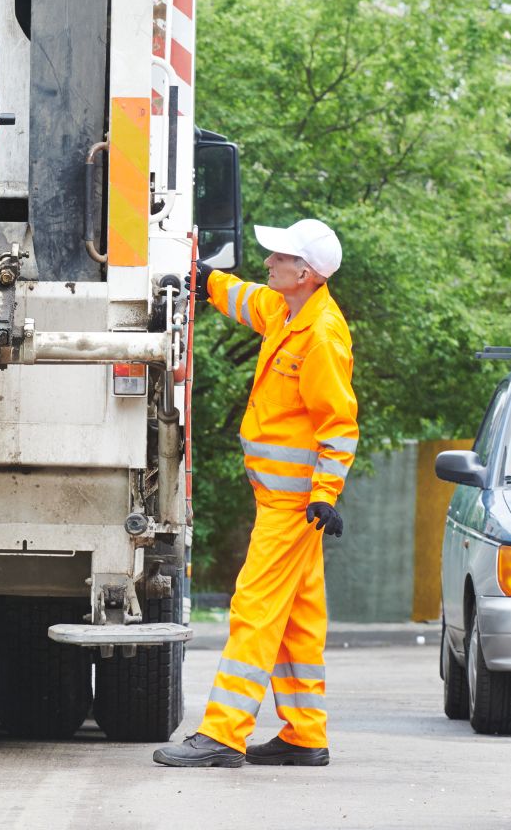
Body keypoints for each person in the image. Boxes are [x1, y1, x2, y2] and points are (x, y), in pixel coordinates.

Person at [153, 218, 358, 769]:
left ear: (306, 273)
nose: (268, 263)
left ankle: (223, 734)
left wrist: (325, 493)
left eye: (279, 258)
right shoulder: (287, 311)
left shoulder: (321, 335)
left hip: (294, 508)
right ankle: (304, 734)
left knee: (255, 609)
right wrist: (205, 280)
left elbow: (339, 424)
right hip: (284, 501)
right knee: (297, 619)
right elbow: (245, 298)